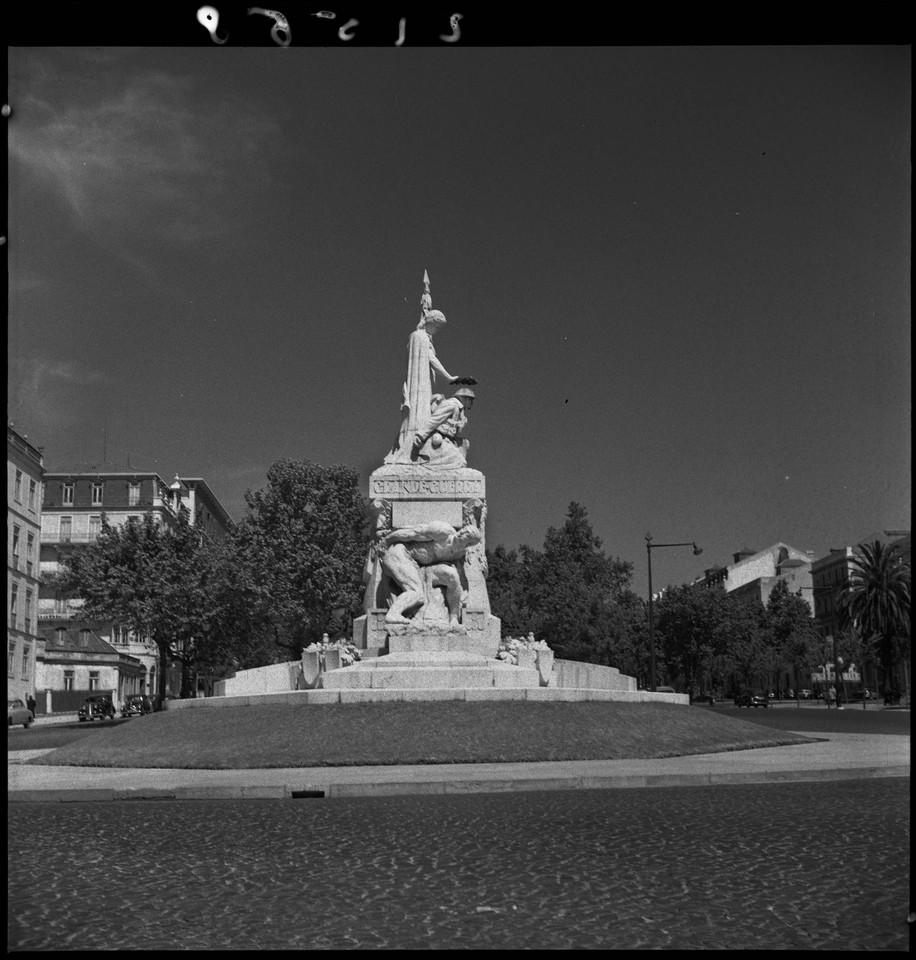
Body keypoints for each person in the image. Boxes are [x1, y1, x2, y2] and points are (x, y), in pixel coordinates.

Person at [380, 520, 482, 624]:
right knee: (416, 593)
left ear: (469, 543)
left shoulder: (459, 553)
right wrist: (386, 540)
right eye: (464, 530)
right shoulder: (443, 531)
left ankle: (454, 618)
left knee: (453, 577)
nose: (461, 532)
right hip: (400, 555)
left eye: (467, 535)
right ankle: (393, 614)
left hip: (421, 567)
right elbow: (413, 533)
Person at [412, 387, 476, 467]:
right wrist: (420, 434)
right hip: (439, 440)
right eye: (471, 400)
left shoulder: (460, 410)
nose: (472, 403)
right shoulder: (451, 404)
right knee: (460, 462)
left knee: (464, 446)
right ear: (465, 398)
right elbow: (435, 420)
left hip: (449, 440)